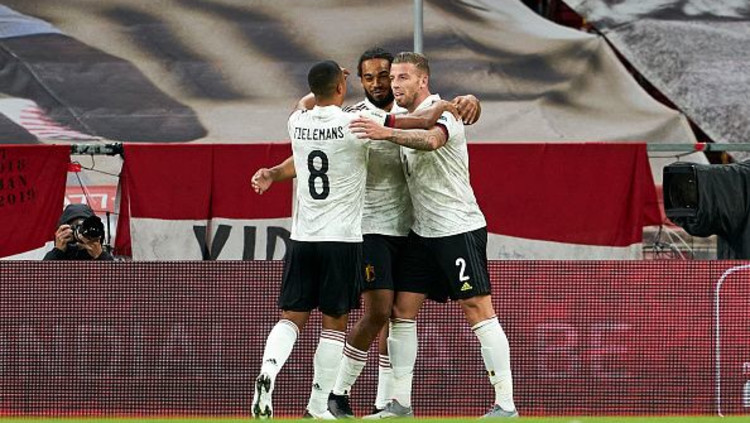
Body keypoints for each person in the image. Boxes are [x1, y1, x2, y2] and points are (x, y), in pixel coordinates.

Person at [251, 47, 481, 419]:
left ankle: (388, 401)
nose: (377, 83)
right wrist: (275, 172)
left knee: (399, 317)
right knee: (376, 312)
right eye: (368, 77)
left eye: (385, 76)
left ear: (398, 77)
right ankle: (336, 395)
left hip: (409, 227)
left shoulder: (403, 112)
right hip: (368, 228)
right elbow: (311, 151)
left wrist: (468, 100)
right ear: (353, 82)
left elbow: (309, 121)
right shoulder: (357, 117)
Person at [349, 52, 519, 419]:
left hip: (456, 228)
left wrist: (387, 132)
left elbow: (431, 141)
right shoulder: (405, 114)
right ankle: (400, 404)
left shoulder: (446, 113)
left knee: (477, 309)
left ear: (423, 80)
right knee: (401, 312)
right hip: (421, 232)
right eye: (393, 77)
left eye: (403, 77)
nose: (394, 84)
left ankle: (506, 404)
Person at [43, 203, 113, 261]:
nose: (80, 233)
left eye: (84, 227)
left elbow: (114, 272)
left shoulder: (97, 253)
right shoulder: (58, 255)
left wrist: (100, 256)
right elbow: (42, 272)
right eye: (75, 227)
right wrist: (57, 252)